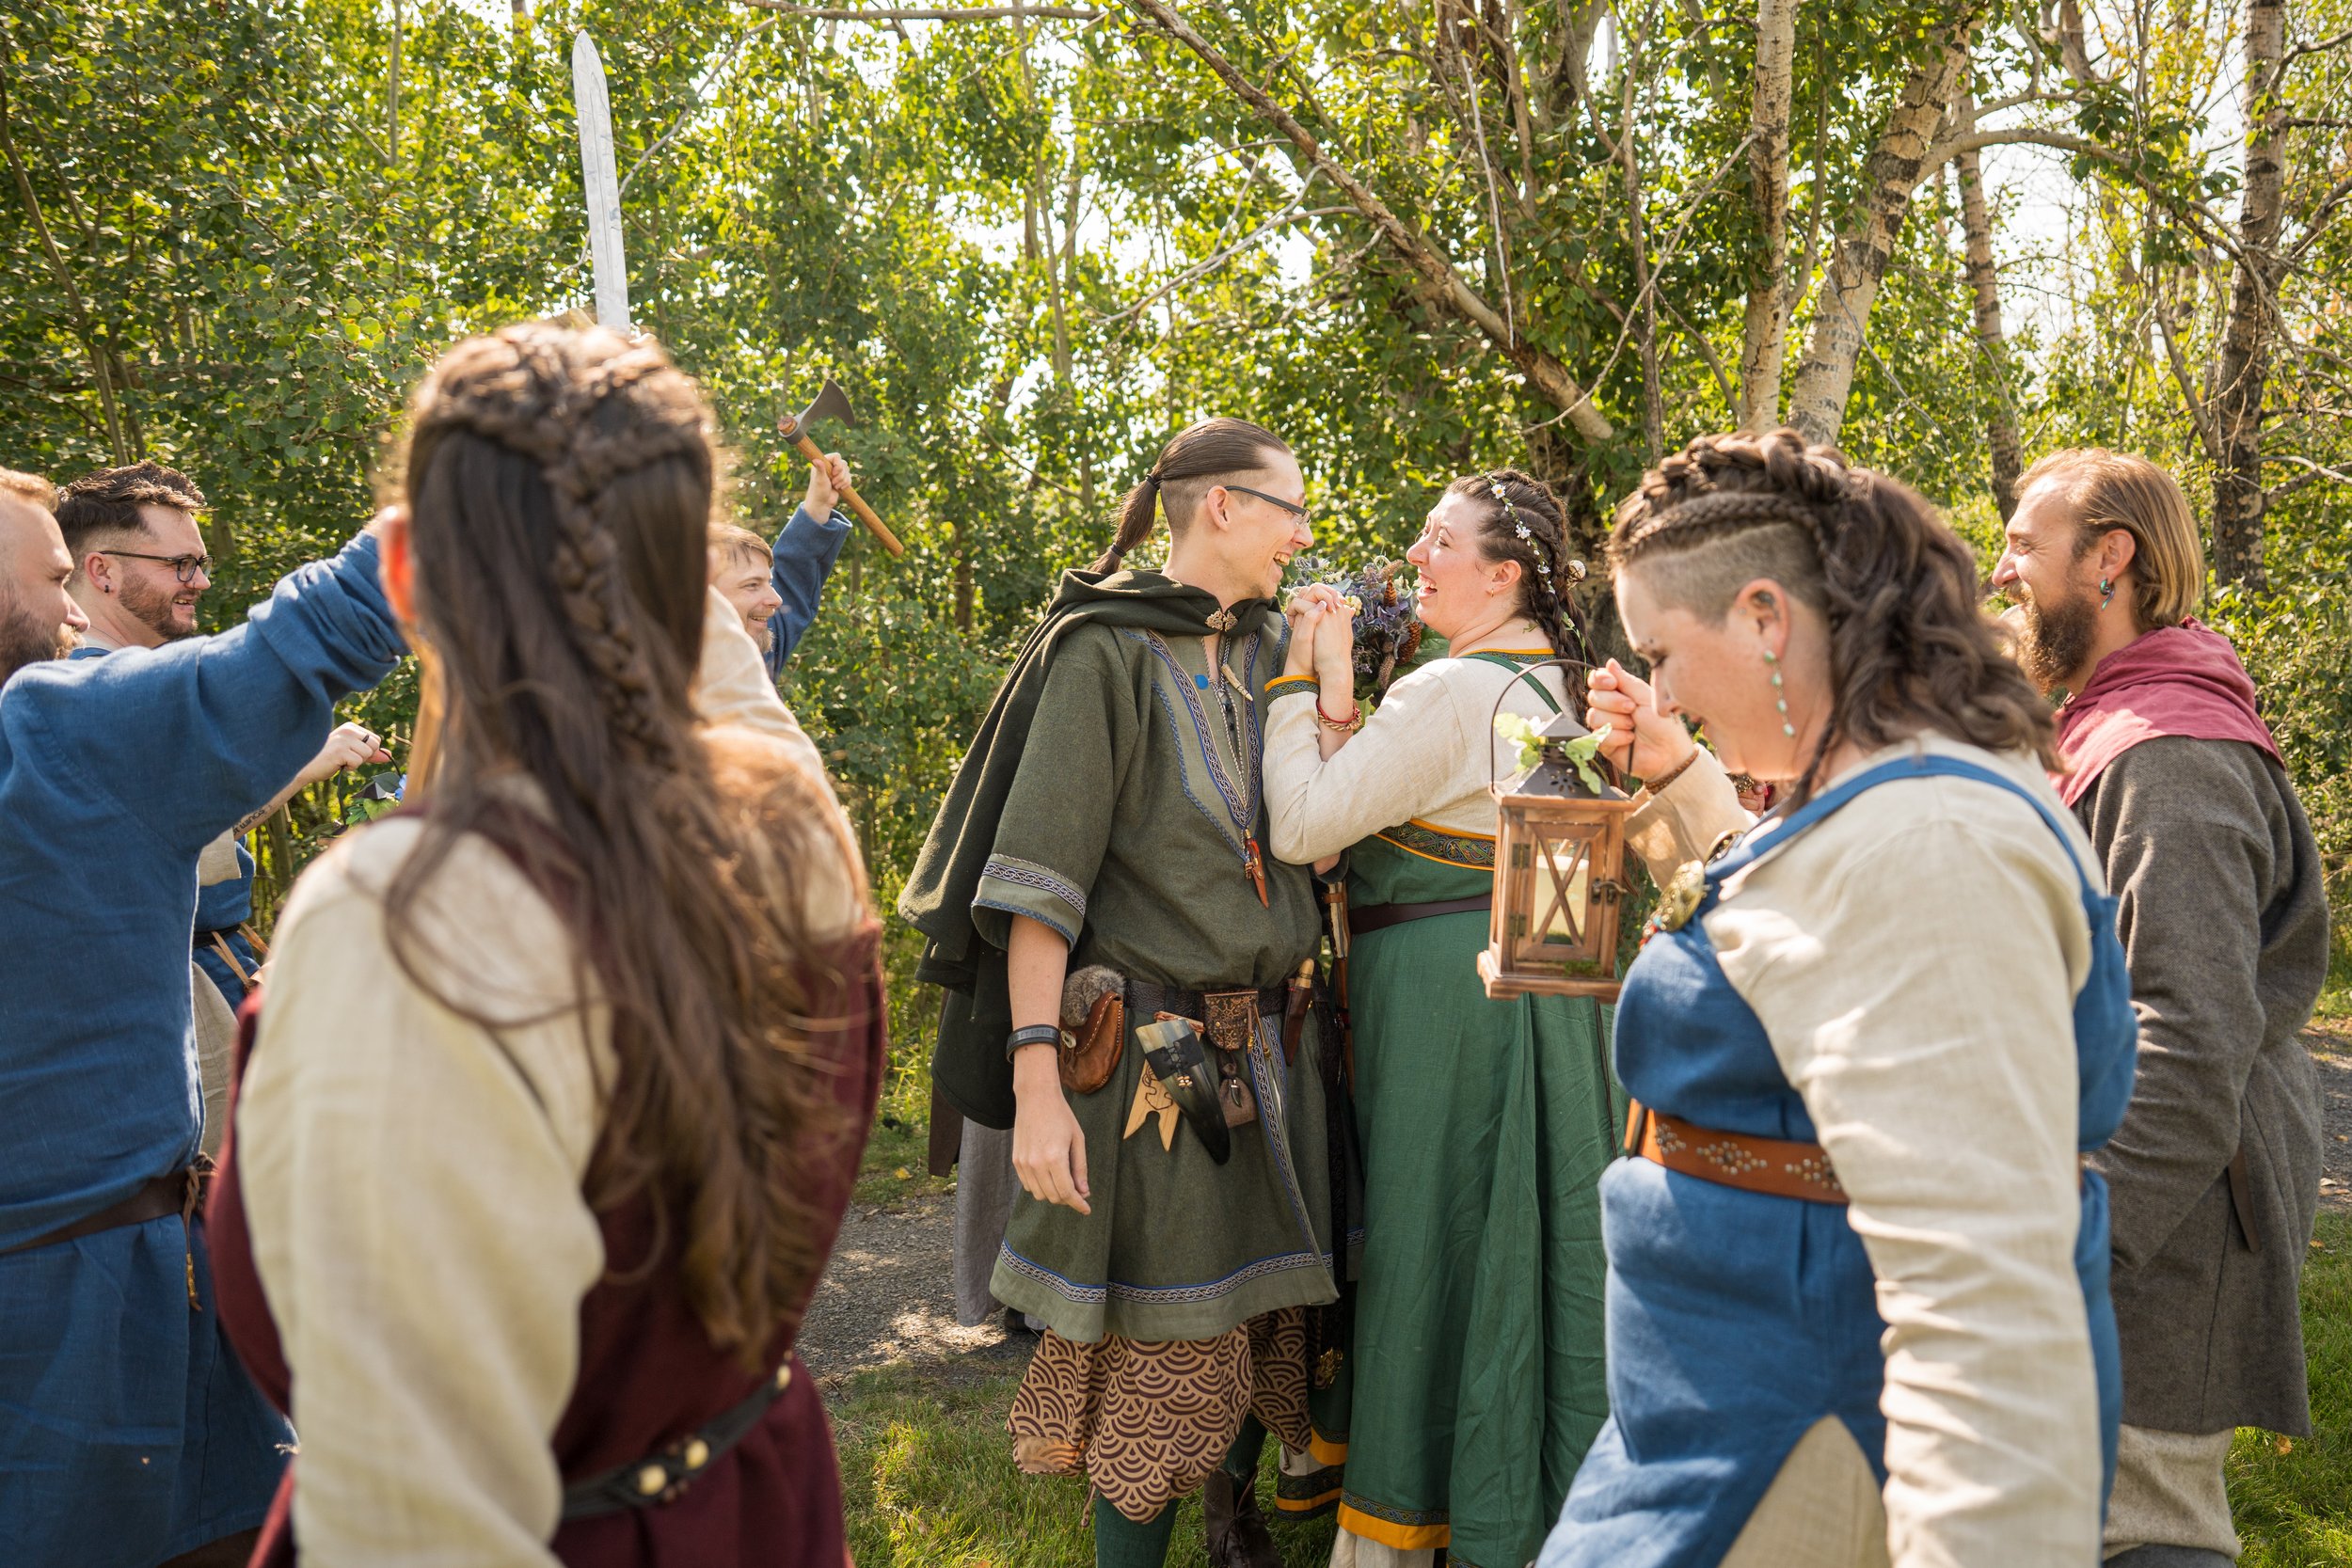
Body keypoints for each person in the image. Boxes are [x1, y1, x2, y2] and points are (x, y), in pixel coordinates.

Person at [202, 323, 882, 1566]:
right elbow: (734, 702)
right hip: (753, 1507)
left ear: (404, 573)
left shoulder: (401, 923)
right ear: (698, 582)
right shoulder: (794, 831)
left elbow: (412, 1522)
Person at [1536, 429, 2137, 1568]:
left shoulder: (1931, 839)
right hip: (1724, 1413)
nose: (1659, 690)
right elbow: (1812, 938)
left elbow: (1984, 1298)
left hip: (1799, 1444)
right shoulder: (1884, 792)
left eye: (1661, 651)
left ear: (1766, 617)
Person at [901, 417, 1343, 1568]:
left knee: (1263, 1319)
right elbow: (1040, 891)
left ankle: (1232, 1517)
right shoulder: (1102, 654)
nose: (1305, 532)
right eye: (1288, 507)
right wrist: (1037, 1081)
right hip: (1153, 1060)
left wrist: (1332, 684)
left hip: (1268, 1055)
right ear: (1221, 506)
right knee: (1154, 1357)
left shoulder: (1267, 654)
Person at [0, 467, 407, 1568]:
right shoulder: (49, 735)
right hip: (93, 1308)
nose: (75, 612)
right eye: (49, 581)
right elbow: (310, 636)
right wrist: (477, 470)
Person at [1264, 470, 1617, 1568]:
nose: (1415, 557)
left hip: (1443, 1008)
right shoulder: (1551, 685)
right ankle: (1510, 1498)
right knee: (1505, 1248)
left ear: (1503, 573)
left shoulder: (1453, 693)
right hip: (1541, 1009)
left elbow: (1306, 827)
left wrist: (1294, 676)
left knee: (1425, 1248)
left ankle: (1406, 1519)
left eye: (1439, 540)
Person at [1995, 449, 2329, 1568]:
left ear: (2109, 559)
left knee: (2135, 1520)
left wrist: (2072, 1236)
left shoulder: (2167, 754)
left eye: (2021, 546)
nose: (2001, 572)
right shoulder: (2112, 726)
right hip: (2128, 1210)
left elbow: (2188, 1039)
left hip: (2165, 1226)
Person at [56, 460, 391, 1006]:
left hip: (215, 962)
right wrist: (302, 766)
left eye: (202, 562)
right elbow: (192, 843)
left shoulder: (119, 686)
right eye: (182, 565)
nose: (203, 581)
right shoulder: (89, 693)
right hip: (179, 985)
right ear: (103, 571)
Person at [705, 451, 853, 670]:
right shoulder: (661, 686)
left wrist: (820, 504)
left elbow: (792, 577)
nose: (777, 599)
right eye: (752, 585)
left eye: (768, 582)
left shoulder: (752, 655)